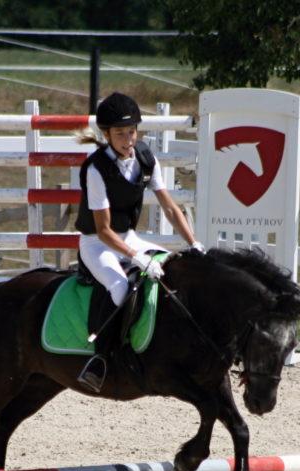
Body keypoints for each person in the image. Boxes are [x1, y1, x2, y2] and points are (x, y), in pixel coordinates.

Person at [74, 92, 204, 392]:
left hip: (128, 237)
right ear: (107, 135)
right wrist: (137, 257)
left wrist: (193, 243)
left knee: (173, 271)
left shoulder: (145, 159)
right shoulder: (96, 169)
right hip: (97, 244)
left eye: (132, 132)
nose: (128, 139)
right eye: (120, 133)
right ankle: (101, 359)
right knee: (120, 288)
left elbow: (170, 208)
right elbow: (103, 230)